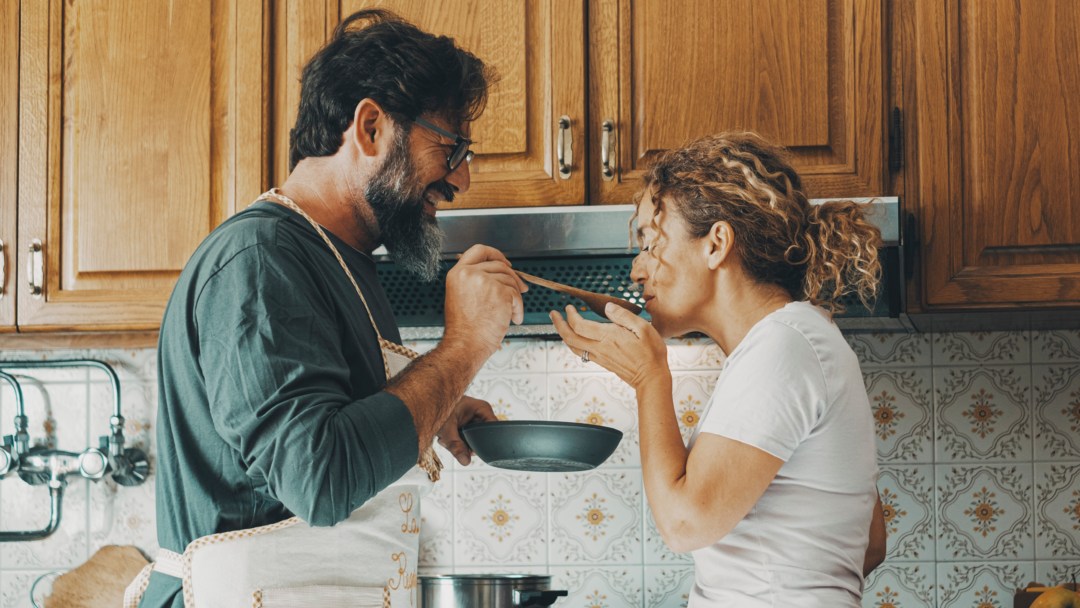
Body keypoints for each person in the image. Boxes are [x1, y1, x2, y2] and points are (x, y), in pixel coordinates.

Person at [129, 10, 528, 608]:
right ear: (371, 127)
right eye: (451, 147)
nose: (463, 178)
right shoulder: (260, 257)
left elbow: (321, 429)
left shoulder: (338, 258)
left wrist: (434, 399)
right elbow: (319, 479)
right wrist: (462, 348)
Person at [551, 132, 888, 607]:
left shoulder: (783, 344)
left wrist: (650, 379)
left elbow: (685, 524)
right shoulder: (794, 341)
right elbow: (869, 543)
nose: (636, 270)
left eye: (651, 243)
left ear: (716, 244)